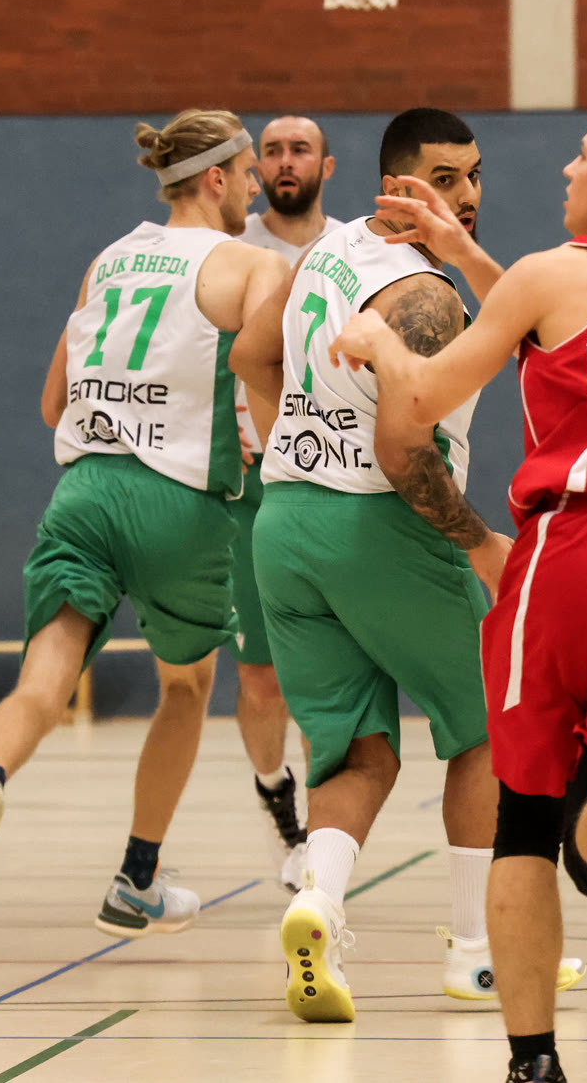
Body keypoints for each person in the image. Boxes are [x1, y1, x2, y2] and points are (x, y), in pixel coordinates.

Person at [331, 67, 587, 1083]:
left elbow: (424, 398)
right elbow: (566, 317)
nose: (567, 166)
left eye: (584, 152)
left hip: (576, 556)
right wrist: (462, 252)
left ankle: (533, 1063)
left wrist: (379, 340)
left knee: (520, 817)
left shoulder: (550, 272)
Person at [0, 109, 289, 938]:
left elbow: (54, 402)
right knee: (185, 688)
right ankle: (136, 880)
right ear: (217, 178)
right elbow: (265, 375)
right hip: (179, 504)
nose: (256, 192)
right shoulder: (255, 266)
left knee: (41, 685)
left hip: (82, 492)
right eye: (249, 176)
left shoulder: (107, 261)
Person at [232, 107, 521, 1023]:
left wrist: (298, 459)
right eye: (445, 178)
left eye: (475, 174)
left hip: (286, 526)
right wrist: (480, 542)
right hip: (383, 528)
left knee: (358, 750)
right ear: (400, 186)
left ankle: (318, 906)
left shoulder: (328, 248)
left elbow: (250, 353)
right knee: (487, 733)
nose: (467, 195)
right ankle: (477, 955)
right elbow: (403, 452)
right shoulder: (427, 298)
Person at [230, 114, 345, 891]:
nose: (284, 161)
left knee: (321, 676)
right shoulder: (232, 252)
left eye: (299, 149)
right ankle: (276, 791)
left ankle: (324, 839)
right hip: (250, 489)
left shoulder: (352, 251)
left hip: (331, 482)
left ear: (326, 166)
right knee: (262, 682)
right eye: (270, 150)